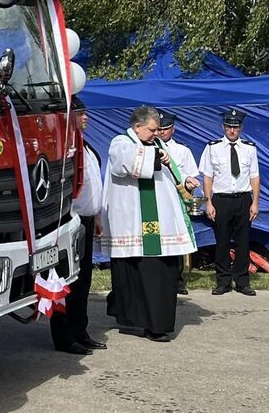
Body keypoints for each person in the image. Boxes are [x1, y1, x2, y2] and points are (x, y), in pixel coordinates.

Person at [101, 106, 197, 342]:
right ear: (137, 127)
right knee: (136, 274)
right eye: (153, 129)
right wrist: (155, 156)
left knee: (163, 271)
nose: (157, 133)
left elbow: (173, 175)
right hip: (133, 224)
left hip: (162, 225)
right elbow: (123, 163)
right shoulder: (121, 142)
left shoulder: (158, 145)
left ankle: (158, 321)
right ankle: (136, 322)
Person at [50, 98, 106, 355]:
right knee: (65, 281)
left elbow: (92, 183)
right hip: (67, 221)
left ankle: (80, 330)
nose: (86, 118)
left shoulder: (87, 145)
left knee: (83, 279)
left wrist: (95, 216)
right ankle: (64, 336)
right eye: (81, 113)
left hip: (85, 219)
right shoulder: (63, 148)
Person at [199, 109, 260, 296]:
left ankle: (242, 281)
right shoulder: (212, 147)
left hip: (242, 199)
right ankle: (223, 281)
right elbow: (207, 177)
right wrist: (208, 203)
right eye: (228, 127)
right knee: (222, 241)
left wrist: (255, 202)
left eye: (235, 127)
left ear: (241, 128)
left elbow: (255, 177)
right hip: (221, 200)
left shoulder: (249, 148)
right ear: (223, 127)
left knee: (243, 242)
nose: (232, 130)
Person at [155, 110, 201, 295]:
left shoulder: (183, 150)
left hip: (177, 199)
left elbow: (189, 174)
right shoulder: (150, 147)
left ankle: (178, 278)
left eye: (165, 129)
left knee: (177, 237)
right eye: (158, 129)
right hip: (158, 198)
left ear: (172, 129)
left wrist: (189, 181)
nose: (161, 133)